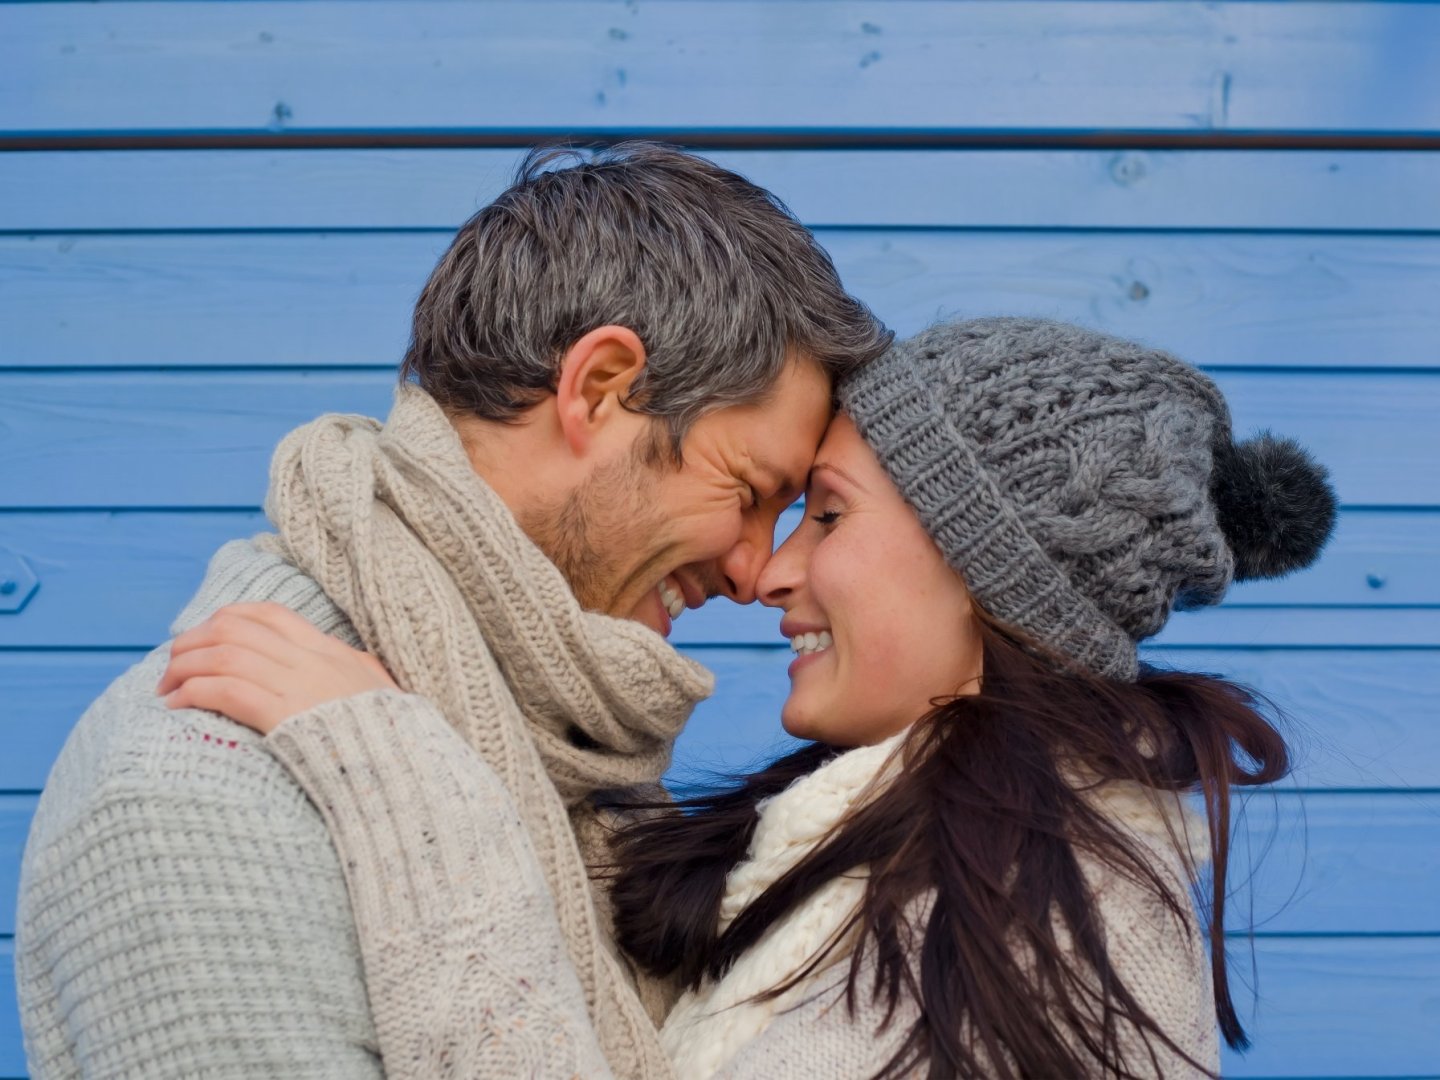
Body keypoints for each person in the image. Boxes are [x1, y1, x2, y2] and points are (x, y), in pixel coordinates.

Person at [162, 317, 1337, 1079]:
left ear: (987, 578)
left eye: (824, 513)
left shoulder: (1064, 931)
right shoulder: (897, 845)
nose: (768, 570)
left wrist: (401, 781)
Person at [15, 142, 891, 1079]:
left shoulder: (575, 760)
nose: (756, 572)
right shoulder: (202, 798)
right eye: (749, 488)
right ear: (598, 389)